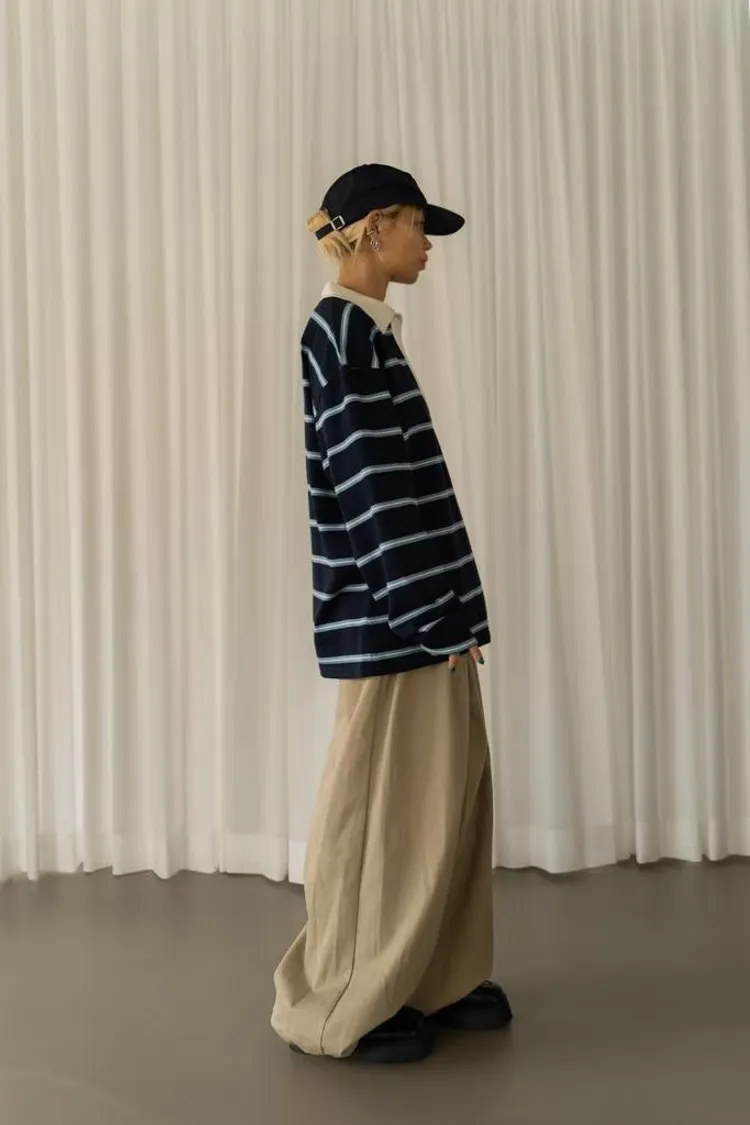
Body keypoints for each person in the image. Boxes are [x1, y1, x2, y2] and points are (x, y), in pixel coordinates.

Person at [271, 164, 512, 1064]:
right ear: (375, 228)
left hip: (428, 617)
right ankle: (341, 999)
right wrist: (432, 616)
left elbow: (406, 492)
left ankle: (432, 974)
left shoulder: (368, 333)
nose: (428, 243)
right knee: (378, 816)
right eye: (418, 225)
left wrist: (459, 613)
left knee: (443, 803)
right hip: (396, 625)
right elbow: (371, 496)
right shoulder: (340, 335)